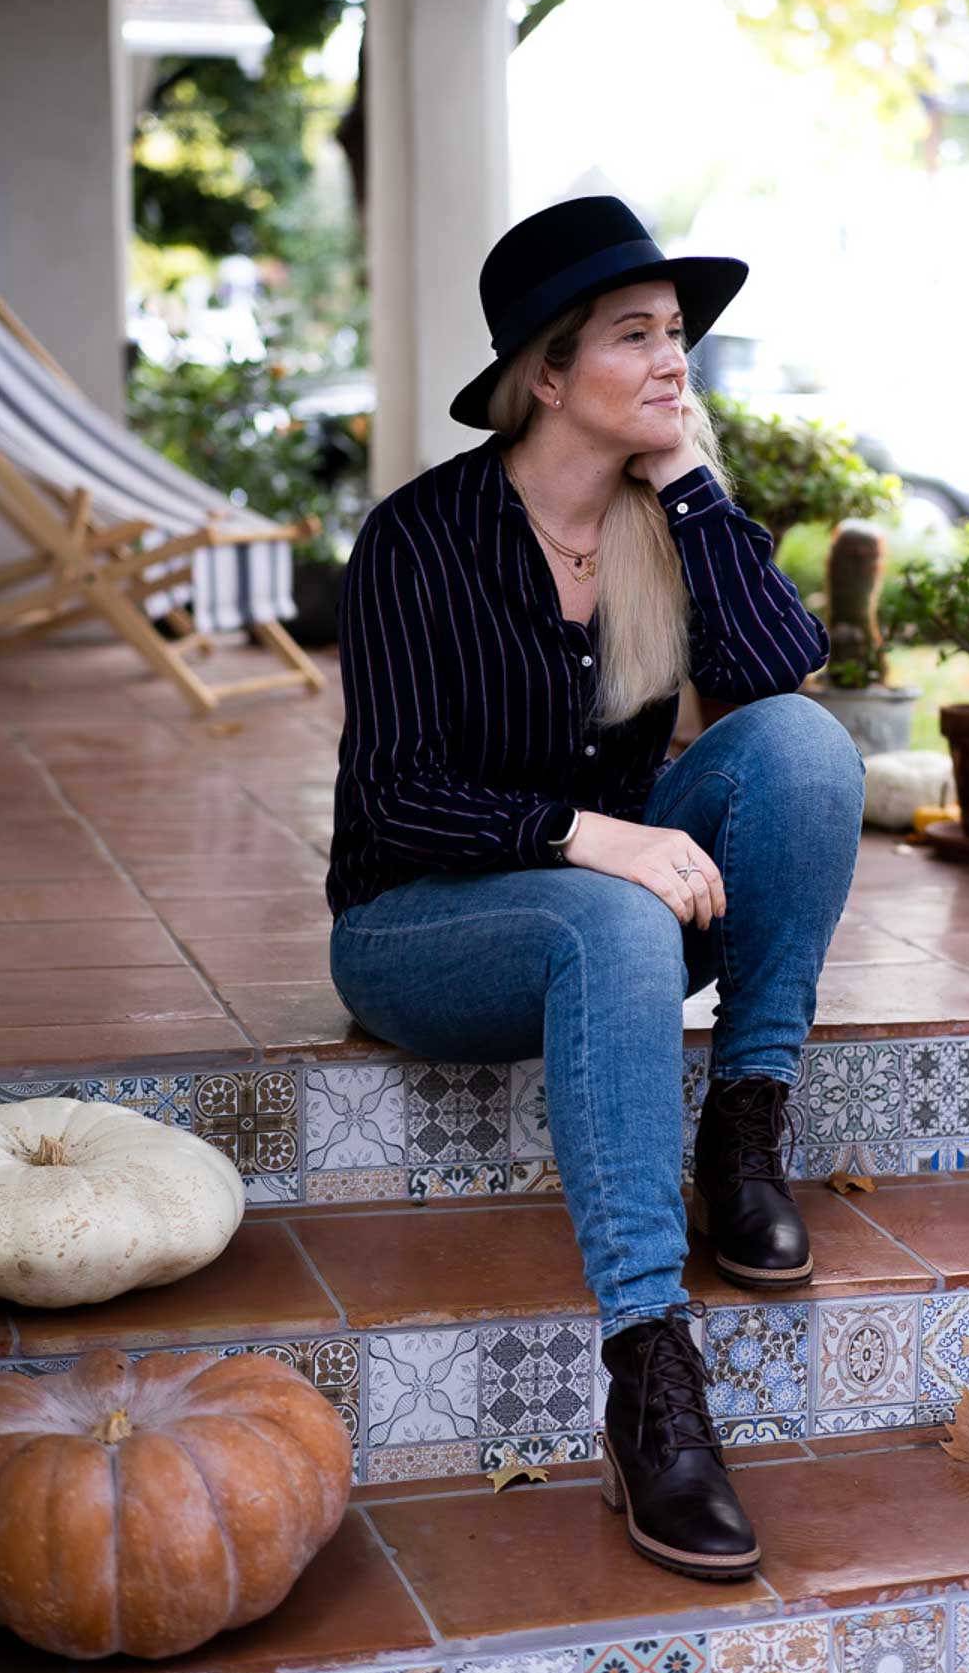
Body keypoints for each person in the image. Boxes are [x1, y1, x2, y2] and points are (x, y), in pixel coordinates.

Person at [326, 195, 865, 1579]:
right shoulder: (418, 541)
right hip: (422, 934)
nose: (674, 359)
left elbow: (773, 673)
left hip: (612, 928)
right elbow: (391, 797)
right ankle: (651, 1371)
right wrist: (585, 830)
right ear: (547, 373)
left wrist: (689, 485)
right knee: (614, 902)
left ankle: (741, 1126)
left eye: (678, 334)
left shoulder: (661, 522)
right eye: (636, 336)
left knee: (802, 750)